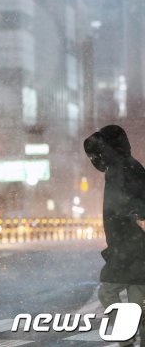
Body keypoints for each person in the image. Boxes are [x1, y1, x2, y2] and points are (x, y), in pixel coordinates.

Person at [84, 125, 145, 347]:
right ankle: (127, 338)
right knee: (134, 302)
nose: (97, 157)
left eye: (101, 150)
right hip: (128, 247)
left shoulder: (124, 168)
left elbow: (137, 201)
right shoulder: (122, 167)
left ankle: (126, 339)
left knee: (112, 293)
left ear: (111, 147)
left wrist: (132, 211)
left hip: (132, 248)